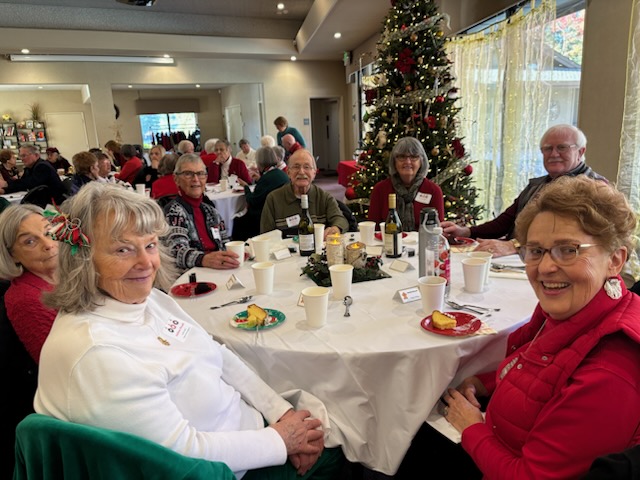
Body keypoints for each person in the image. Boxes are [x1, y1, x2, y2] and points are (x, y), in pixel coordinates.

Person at [33, 182, 345, 479]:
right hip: (223, 468)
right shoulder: (98, 353)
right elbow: (183, 455)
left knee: (330, 417)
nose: (146, 262)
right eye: (123, 250)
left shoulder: (148, 300)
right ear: (83, 260)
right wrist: (281, 440)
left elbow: (217, 353)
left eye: (150, 245)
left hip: (246, 430)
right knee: (341, 446)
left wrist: (279, 412)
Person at [408, 176, 640, 479]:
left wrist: (471, 427)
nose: (545, 268)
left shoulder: (609, 374)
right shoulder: (569, 310)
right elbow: (538, 369)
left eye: (568, 250)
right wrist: (483, 383)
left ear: (615, 260)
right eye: (536, 250)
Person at [442, 124, 606, 257]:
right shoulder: (536, 185)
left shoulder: (596, 188)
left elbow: (572, 237)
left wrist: (515, 245)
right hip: (519, 262)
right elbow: (505, 222)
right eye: (547, 148)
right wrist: (466, 231)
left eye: (562, 147)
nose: (554, 154)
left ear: (581, 151)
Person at [0, 204, 58, 363]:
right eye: (30, 241)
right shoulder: (24, 300)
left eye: (48, 232)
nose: (48, 244)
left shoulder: (71, 272)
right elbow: (58, 363)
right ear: (12, 255)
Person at [164, 153, 240, 271]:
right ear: (176, 179)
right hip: (191, 275)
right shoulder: (174, 212)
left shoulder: (211, 211)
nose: (196, 179)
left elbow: (225, 242)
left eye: (200, 174)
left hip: (218, 271)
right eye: (188, 174)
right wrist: (204, 259)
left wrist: (235, 254)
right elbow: (176, 251)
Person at [261, 149, 348, 238]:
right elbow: (266, 234)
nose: (301, 172)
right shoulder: (273, 199)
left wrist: (335, 228)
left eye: (307, 167)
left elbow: (340, 220)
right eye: (296, 167)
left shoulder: (324, 197)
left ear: (314, 173)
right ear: (288, 172)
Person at [368, 137, 445, 231]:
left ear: (421, 161)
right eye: (402, 157)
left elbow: (438, 231)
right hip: (388, 240)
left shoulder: (433, 190)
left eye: (413, 157)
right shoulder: (380, 189)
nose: (408, 162)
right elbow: (373, 229)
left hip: (424, 240)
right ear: (394, 161)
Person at [233, 146, 290, 241]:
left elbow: (252, 200)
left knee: (237, 221)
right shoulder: (280, 174)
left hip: (263, 216)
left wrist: (246, 187)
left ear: (260, 162)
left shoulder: (267, 178)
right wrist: (260, 179)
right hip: (281, 212)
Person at [0, 145, 66, 205]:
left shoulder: (42, 166)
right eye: (20, 156)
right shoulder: (29, 168)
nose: (21, 159)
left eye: (24, 156)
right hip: (43, 201)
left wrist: (7, 184)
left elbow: (29, 183)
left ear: (36, 155)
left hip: (54, 203)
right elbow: (22, 184)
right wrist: (5, 190)